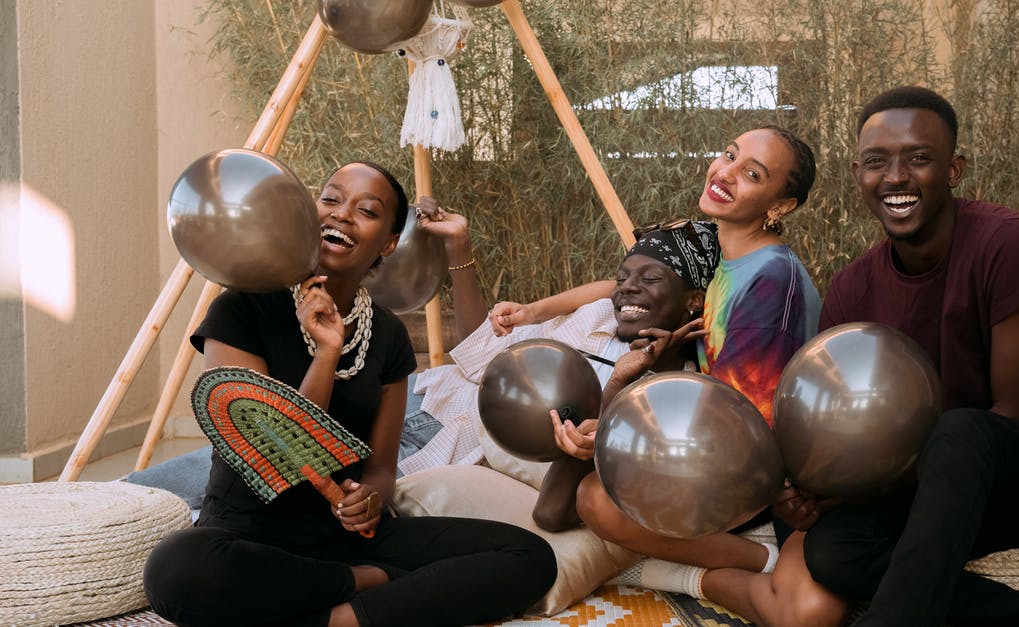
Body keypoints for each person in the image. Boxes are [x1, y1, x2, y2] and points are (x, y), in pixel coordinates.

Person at [701, 86, 1019, 627]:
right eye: (877, 163)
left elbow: (1015, 418)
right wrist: (812, 496)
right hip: (953, 486)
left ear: (954, 169)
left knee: (961, 433)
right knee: (834, 550)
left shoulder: (1009, 245)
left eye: (918, 159)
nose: (895, 177)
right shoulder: (854, 289)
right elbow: (837, 436)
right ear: (858, 175)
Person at [142, 161, 557, 627]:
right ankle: (363, 588)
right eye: (331, 199)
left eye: (367, 210)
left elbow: (380, 468)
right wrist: (325, 353)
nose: (341, 215)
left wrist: (371, 502)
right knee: (175, 568)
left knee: (529, 554)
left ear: (389, 243)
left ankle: (338, 619)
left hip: (340, 536)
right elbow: (270, 453)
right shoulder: (242, 308)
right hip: (247, 533)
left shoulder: (389, 336)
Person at [491, 126, 825, 596]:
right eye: (728, 154)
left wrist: (620, 437)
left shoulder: (771, 279)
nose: (725, 172)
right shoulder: (726, 255)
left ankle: (759, 559)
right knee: (579, 488)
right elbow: (620, 282)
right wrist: (535, 311)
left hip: (740, 469)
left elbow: (744, 423)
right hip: (705, 442)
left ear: (780, 206)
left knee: (596, 500)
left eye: (751, 173)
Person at [402, 210, 720, 531]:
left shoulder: (668, 400)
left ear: (694, 299)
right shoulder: (599, 317)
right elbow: (482, 353)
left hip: (440, 448)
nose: (625, 289)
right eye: (621, 279)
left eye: (649, 279)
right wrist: (459, 245)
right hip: (427, 396)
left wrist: (623, 380)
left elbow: (553, 511)